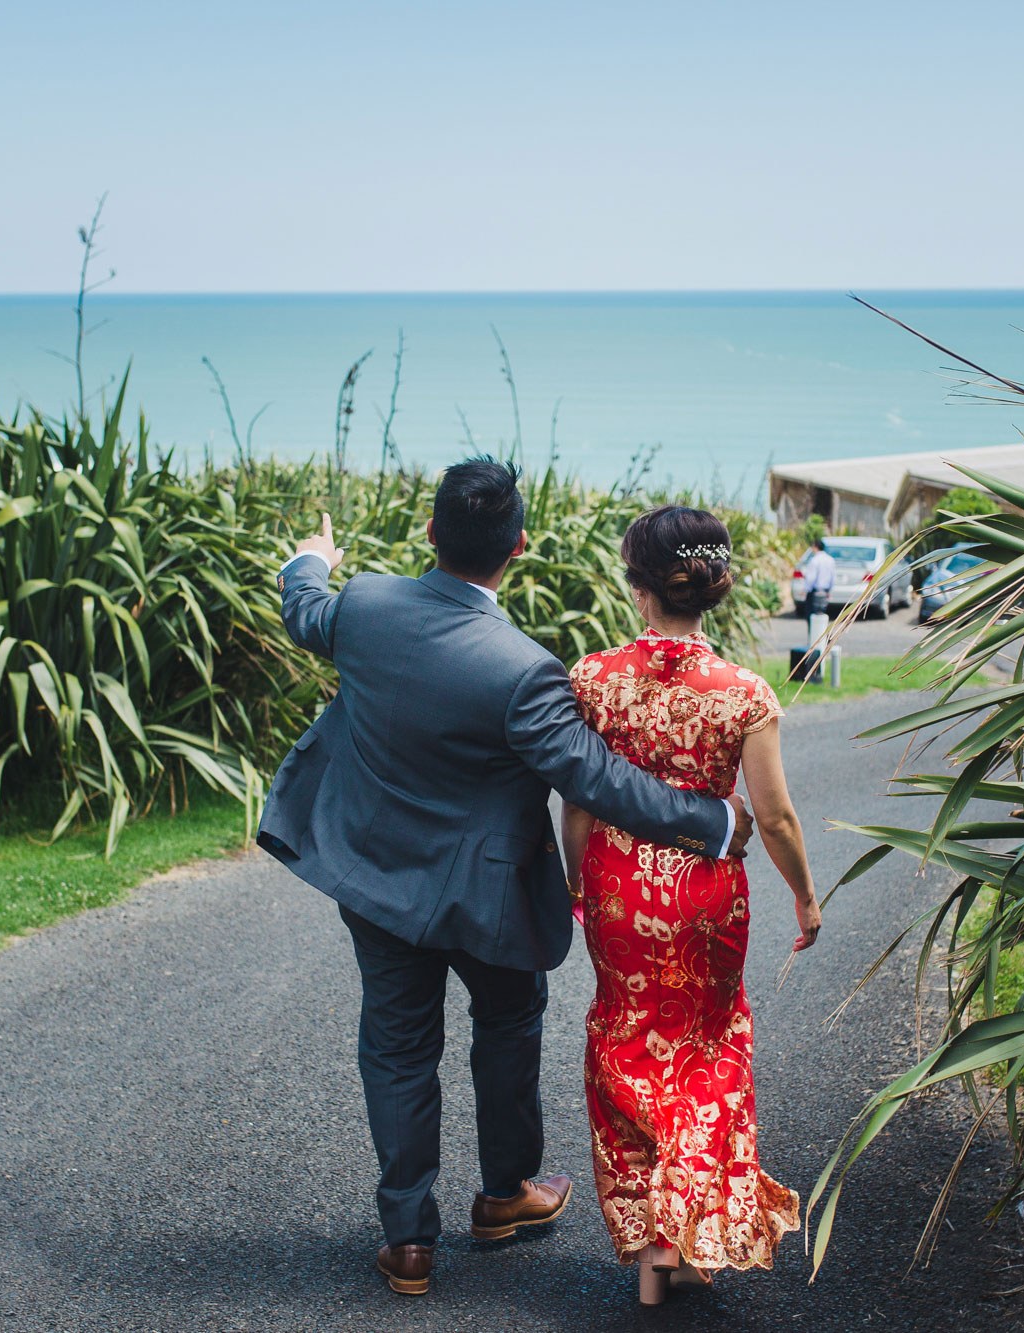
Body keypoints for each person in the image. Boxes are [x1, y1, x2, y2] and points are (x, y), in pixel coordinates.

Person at [258, 461, 755, 1299]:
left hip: (374, 877)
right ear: (518, 547)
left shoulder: (365, 607)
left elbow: (305, 606)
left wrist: (310, 556)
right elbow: (594, 778)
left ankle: (409, 1241)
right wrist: (713, 822)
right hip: (484, 892)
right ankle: (504, 1193)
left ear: (430, 534)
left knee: (396, 1044)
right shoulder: (522, 667)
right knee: (509, 1018)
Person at [561, 505, 822, 1307]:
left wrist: (579, 884)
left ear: (640, 590)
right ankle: (691, 1234)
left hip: (615, 889)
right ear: (711, 588)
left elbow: (576, 801)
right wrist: (806, 901)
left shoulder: (592, 679)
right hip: (706, 898)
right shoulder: (744, 694)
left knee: (625, 1043)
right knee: (706, 1051)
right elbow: (772, 816)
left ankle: (651, 1248)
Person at [798, 536, 835, 618]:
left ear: (815, 547)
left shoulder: (814, 560)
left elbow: (811, 577)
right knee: (822, 615)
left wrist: (805, 590)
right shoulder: (830, 560)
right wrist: (829, 590)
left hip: (814, 592)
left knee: (811, 615)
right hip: (825, 591)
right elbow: (833, 577)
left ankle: (813, 631)